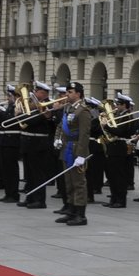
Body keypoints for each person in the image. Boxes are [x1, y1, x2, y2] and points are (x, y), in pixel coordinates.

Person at [53, 84, 92, 226]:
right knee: (68, 182)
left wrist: (81, 155)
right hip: (66, 148)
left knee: (78, 183)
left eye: (70, 92)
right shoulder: (67, 108)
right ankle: (71, 211)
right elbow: (60, 126)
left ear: (78, 94)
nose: (67, 95)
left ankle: (81, 215)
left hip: (76, 150)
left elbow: (84, 134)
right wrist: (57, 139)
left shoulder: (83, 111)